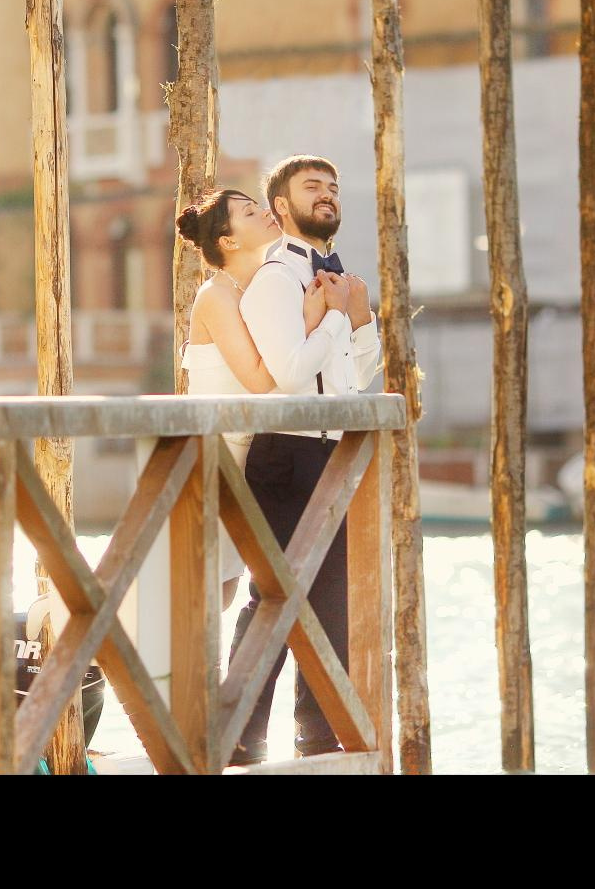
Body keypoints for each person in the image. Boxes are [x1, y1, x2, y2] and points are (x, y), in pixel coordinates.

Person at [230, 154, 382, 764]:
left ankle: (318, 740)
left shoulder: (340, 283)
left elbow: (355, 379)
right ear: (282, 208)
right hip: (284, 454)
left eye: (332, 187)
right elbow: (290, 377)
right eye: (311, 187)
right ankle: (240, 737)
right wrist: (339, 319)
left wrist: (361, 319)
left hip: (331, 453)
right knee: (271, 599)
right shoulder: (273, 281)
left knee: (334, 599)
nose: (326, 195)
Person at [176, 189, 349, 609]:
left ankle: (223, 675)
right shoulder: (217, 296)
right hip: (218, 455)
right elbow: (259, 378)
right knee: (206, 593)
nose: (265, 213)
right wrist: (318, 320)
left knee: (235, 589)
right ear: (229, 241)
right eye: (249, 212)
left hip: (255, 454)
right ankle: (191, 674)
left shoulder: (267, 285)